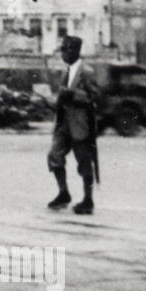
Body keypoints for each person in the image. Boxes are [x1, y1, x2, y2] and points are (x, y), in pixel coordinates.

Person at [48, 34, 101, 215]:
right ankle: (63, 193)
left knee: (84, 162)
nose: (62, 53)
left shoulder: (86, 71)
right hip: (64, 123)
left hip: (80, 123)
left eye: (65, 49)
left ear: (75, 51)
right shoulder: (67, 71)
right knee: (54, 156)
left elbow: (95, 97)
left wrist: (73, 94)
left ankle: (88, 199)